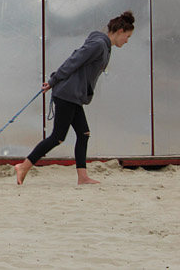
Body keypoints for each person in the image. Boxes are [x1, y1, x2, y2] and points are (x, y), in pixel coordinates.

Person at [14, 10, 135, 186]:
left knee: (83, 134)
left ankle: (83, 177)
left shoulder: (104, 46)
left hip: (73, 95)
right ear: (120, 32)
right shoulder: (99, 45)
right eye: (128, 36)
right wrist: (53, 81)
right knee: (58, 137)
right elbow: (74, 60)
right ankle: (24, 166)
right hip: (67, 94)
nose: (127, 41)